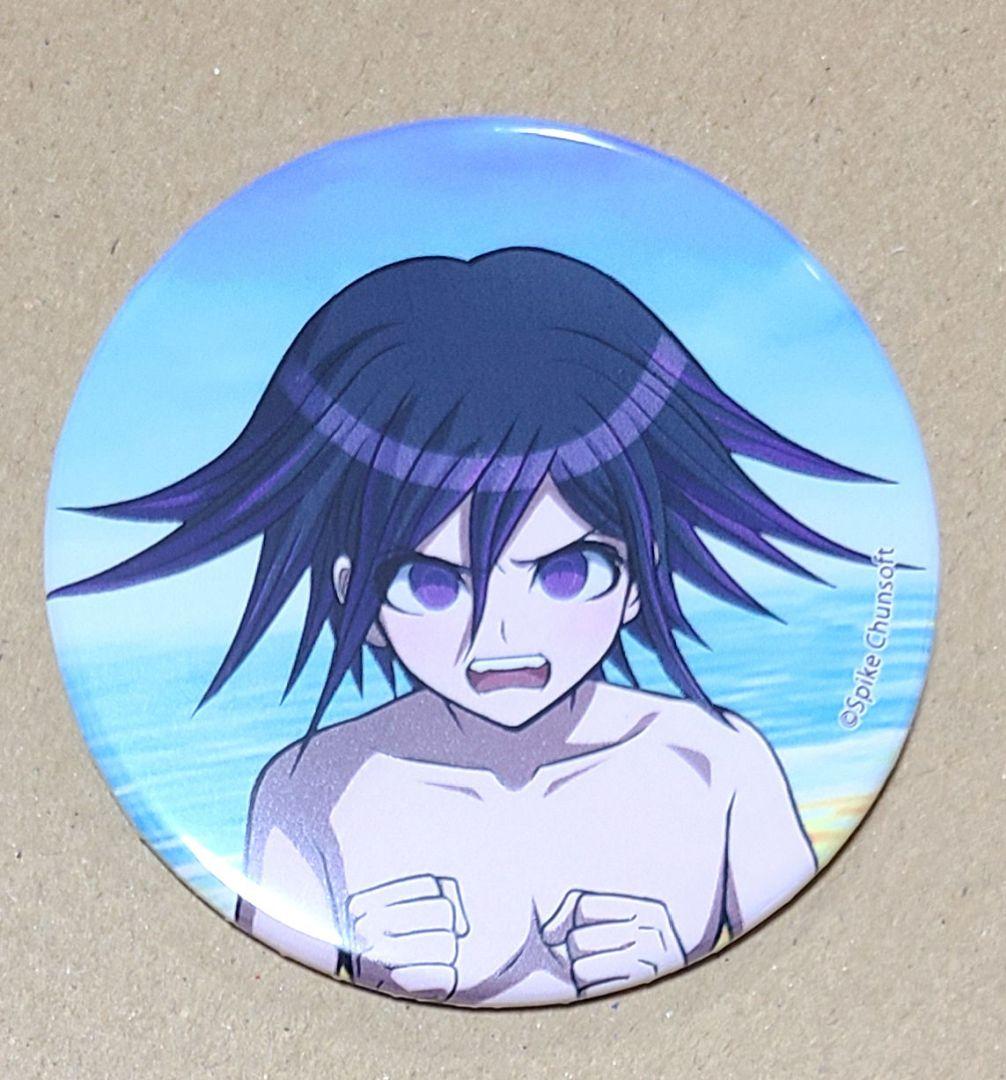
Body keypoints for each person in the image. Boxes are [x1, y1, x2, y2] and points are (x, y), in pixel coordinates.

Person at [50, 247, 880, 1005]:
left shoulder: (719, 767)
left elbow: (813, 1000)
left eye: (566, 572)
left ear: (640, 573)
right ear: (355, 597)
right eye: (432, 582)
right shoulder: (313, 792)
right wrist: (362, 994)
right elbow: (256, 1022)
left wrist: (686, 980)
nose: (500, 636)